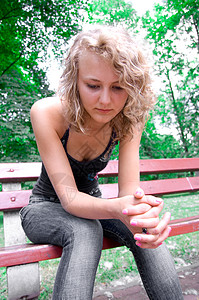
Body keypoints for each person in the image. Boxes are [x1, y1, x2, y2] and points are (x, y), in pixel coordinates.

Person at [20, 25, 183, 299]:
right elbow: (70, 199)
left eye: (118, 87)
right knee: (84, 229)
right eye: (93, 86)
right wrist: (121, 209)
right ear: (76, 80)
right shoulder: (48, 113)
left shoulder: (130, 117)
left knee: (142, 228)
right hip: (46, 208)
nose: (105, 100)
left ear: (132, 86)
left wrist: (142, 217)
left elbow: (128, 196)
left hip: (96, 204)